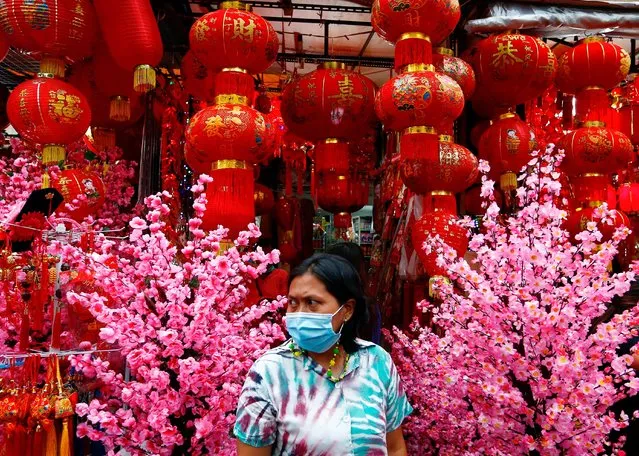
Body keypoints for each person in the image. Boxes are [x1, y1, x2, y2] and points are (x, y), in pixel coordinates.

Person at [234, 253, 412, 456]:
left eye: (311, 303)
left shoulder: (377, 361)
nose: (299, 313)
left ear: (347, 310)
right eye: (293, 303)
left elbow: (395, 447)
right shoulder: (269, 373)